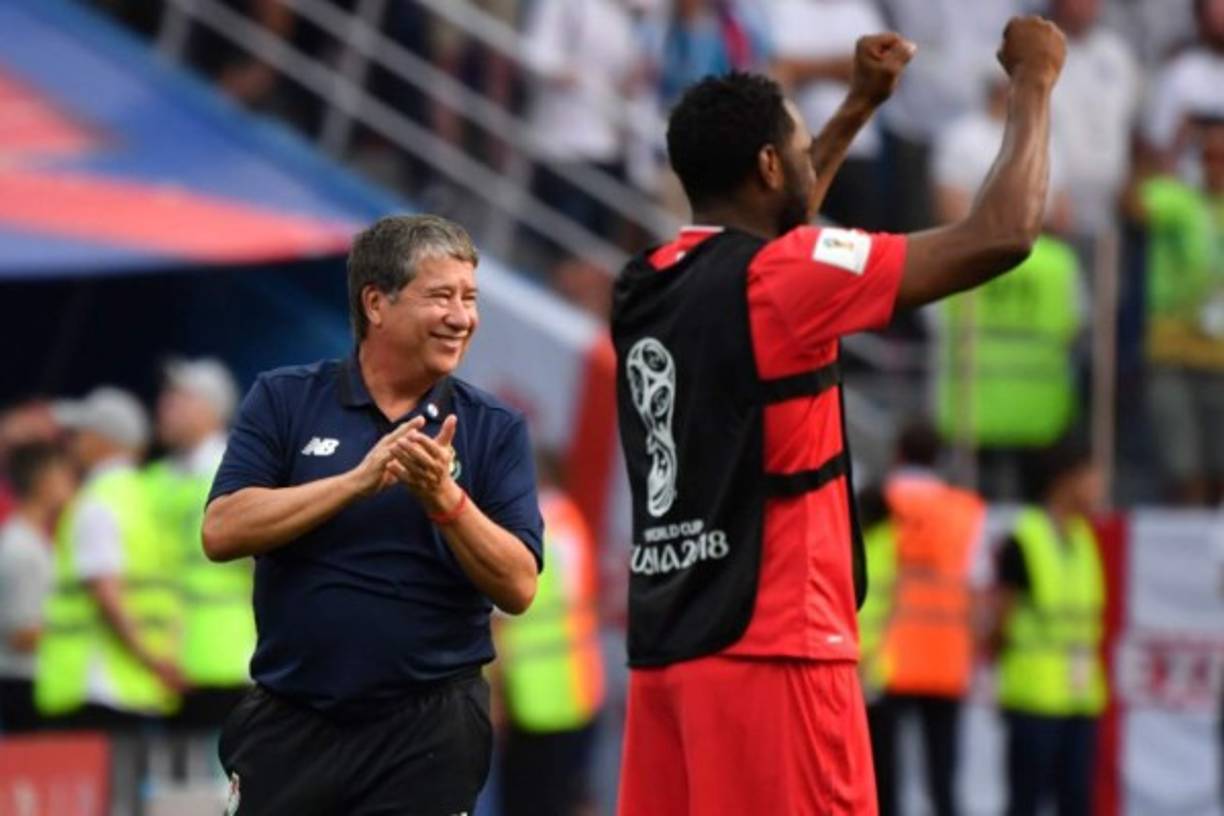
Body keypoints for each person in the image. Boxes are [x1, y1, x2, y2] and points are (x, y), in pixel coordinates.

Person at [611, 17, 1066, 815]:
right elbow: (1003, 233)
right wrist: (1034, 82)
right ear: (764, 164)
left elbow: (769, 229)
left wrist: (857, 105)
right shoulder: (784, 278)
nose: (803, 155)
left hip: (669, 660)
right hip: (780, 653)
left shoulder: (645, 286)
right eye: (794, 143)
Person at [202, 214, 544, 816]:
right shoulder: (284, 398)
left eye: (469, 298)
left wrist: (446, 500)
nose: (462, 317)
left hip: (428, 731)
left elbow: (518, 585)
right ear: (376, 304)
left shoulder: (494, 427)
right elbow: (222, 529)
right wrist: (357, 483)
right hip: (291, 719)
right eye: (441, 296)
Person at [37, 386, 184, 728]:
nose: (72, 441)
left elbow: (106, 593)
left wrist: (151, 660)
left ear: (104, 439)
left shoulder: (96, 501)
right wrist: (167, 659)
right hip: (144, 687)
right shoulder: (153, 498)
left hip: (95, 683)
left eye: (80, 433)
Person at [859, 423, 985, 816]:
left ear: (898, 454)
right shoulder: (965, 511)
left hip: (885, 663)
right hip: (947, 662)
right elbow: (978, 590)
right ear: (939, 458)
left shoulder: (874, 502)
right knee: (943, 784)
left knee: (883, 784)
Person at [990, 437, 1106, 816]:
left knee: (1076, 802)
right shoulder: (1025, 539)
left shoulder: (1084, 538)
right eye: (1090, 475)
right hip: (1033, 700)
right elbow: (999, 621)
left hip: (1079, 699)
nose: (1098, 485)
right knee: (1026, 803)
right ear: (1064, 481)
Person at [146, 359, 253, 738]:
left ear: (211, 408)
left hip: (230, 660)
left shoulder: (240, 469)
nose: (164, 406)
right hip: (162, 664)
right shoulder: (154, 479)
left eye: (179, 398)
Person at [494, 452, 605, 816]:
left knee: (531, 801)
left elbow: (501, 619)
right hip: (578, 690)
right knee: (569, 797)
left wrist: (493, 695)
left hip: (534, 697)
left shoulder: (525, 527)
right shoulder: (569, 521)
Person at [1124, 121, 1224, 504]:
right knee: (1182, 466)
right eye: (1209, 157)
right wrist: (1152, 162)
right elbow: (1132, 206)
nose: (1216, 166)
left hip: (1220, 358)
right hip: (1173, 353)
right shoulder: (1179, 198)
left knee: (1218, 467)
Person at [769, 0, 889, 229]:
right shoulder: (783, 8)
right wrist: (845, 65)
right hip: (800, 151)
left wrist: (803, 68)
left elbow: (882, 71)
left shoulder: (860, 11)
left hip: (858, 151)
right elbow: (779, 69)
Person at [0, 442, 76, 733]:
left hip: (37, 681)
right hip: (23, 684)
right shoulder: (19, 547)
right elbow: (20, 634)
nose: (72, 484)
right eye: (65, 475)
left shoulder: (39, 541)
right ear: (45, 482)